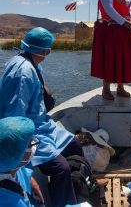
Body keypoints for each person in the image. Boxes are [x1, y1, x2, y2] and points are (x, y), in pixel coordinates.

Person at [0, 27, 83, 207]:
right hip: (29, 131)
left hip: (42, 124)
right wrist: (24, 153)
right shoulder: (22, 73)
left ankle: (78, 190)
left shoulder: (32, 64)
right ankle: (64, 203)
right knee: (61, 168)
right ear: (46, 51)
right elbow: (14, 117)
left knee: (75, 144)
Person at [0, 116, 40, 207]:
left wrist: (30, 179)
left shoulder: (9, 165)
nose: (35, 143)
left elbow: (22, 172)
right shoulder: (10, 202)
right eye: (30, 144)